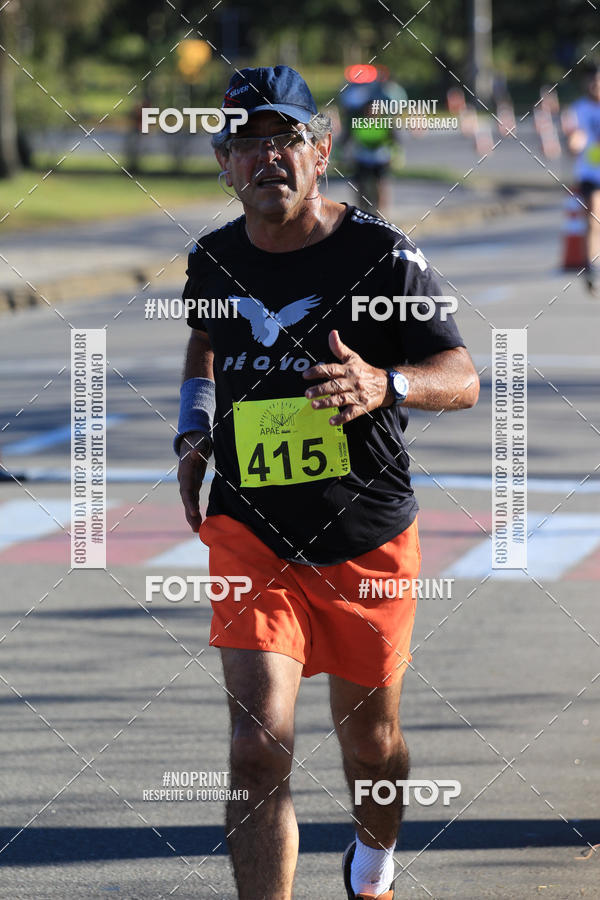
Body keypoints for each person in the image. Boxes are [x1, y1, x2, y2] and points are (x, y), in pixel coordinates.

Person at [175, 65, 479, 900]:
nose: (266, 158)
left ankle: (373, 865)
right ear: (223, 161)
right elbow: (203, 345)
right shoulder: (214, 258)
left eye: (285, 140)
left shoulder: (380, 253)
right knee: (254, 744)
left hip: (365, 534)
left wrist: (389, 384)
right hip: (252, 528)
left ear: (320, 149)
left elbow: (462, 373)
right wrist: (193, 428)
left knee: (371, 744)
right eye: (247, 144)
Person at [564, 62, 600, 293]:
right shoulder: (578, 109)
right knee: (593, 217)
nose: (595, 86)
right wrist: (573, 143)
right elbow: (572, 138)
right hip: (591, 172)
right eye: (592, 82)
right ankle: (592, 268)